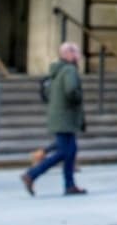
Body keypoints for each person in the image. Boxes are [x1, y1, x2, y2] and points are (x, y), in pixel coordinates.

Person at [21, 41, 87, 196]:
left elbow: (49, 93)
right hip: (66, 117)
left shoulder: (56, 71)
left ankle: (70, 185)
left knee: (70, 151)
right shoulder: (70, 70)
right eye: (77, 53)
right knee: (64, 152)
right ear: (69, 54)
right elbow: (71, 90)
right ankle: (32, 174)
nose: (79, 56)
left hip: (58, 116)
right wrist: (78, 99)